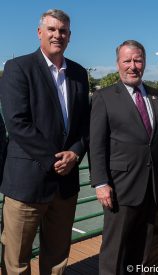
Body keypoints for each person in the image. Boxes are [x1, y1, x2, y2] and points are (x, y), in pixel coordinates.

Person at [0, 9, 89, 274]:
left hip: (65, 185)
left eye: (62, 31)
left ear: (70, 36)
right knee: (16, 261)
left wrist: (74, 153)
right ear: (39, 32)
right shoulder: (18, 68)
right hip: (27, 183)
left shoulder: (79, 73)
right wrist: (54, 160)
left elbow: (85, 124)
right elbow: (17, 123)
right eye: (51, 29)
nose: (57, 35)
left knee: (57, 258)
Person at [90, 40, 158, 275]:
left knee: (143, 249)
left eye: (137, 60)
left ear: (144, 62)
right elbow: (96, 144)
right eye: (127, 60)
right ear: (118, 64)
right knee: (114, 252)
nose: (133, 66)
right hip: (120, 187)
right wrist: (100, 182)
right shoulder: (105, 97)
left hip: (153, 187)